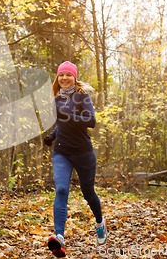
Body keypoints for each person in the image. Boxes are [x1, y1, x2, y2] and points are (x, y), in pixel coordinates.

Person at [44, 61, 107, 258]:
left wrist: (68, 115)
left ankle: (100, 223)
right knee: (62, 189)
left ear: (74, 78)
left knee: (88, 193)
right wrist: (52, 135)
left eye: (68, 75)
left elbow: (91, 121)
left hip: (83, 153)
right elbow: (62, 124)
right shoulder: (56, 100)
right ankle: (60, 239)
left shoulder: (82, 96)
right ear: (57, 78)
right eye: (61, 75)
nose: (64, 78)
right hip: (61, 152)